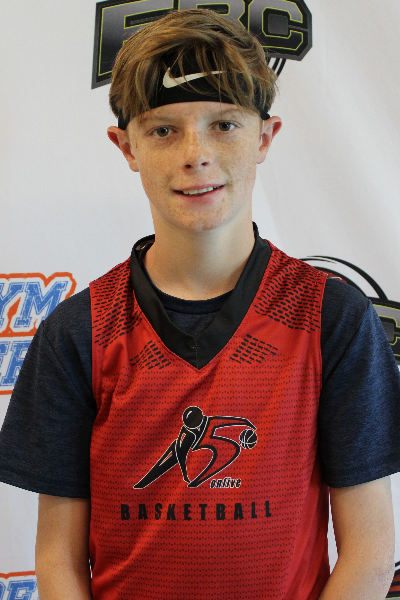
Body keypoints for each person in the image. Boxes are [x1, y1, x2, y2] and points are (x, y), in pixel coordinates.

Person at [0, 8, 400, 600]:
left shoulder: (329, 317)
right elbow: (57, 558)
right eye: (164, 130)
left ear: (264, 137)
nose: (196, 154)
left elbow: (370, 551)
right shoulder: (79, 332)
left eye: (224, 125)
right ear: (126, 145)